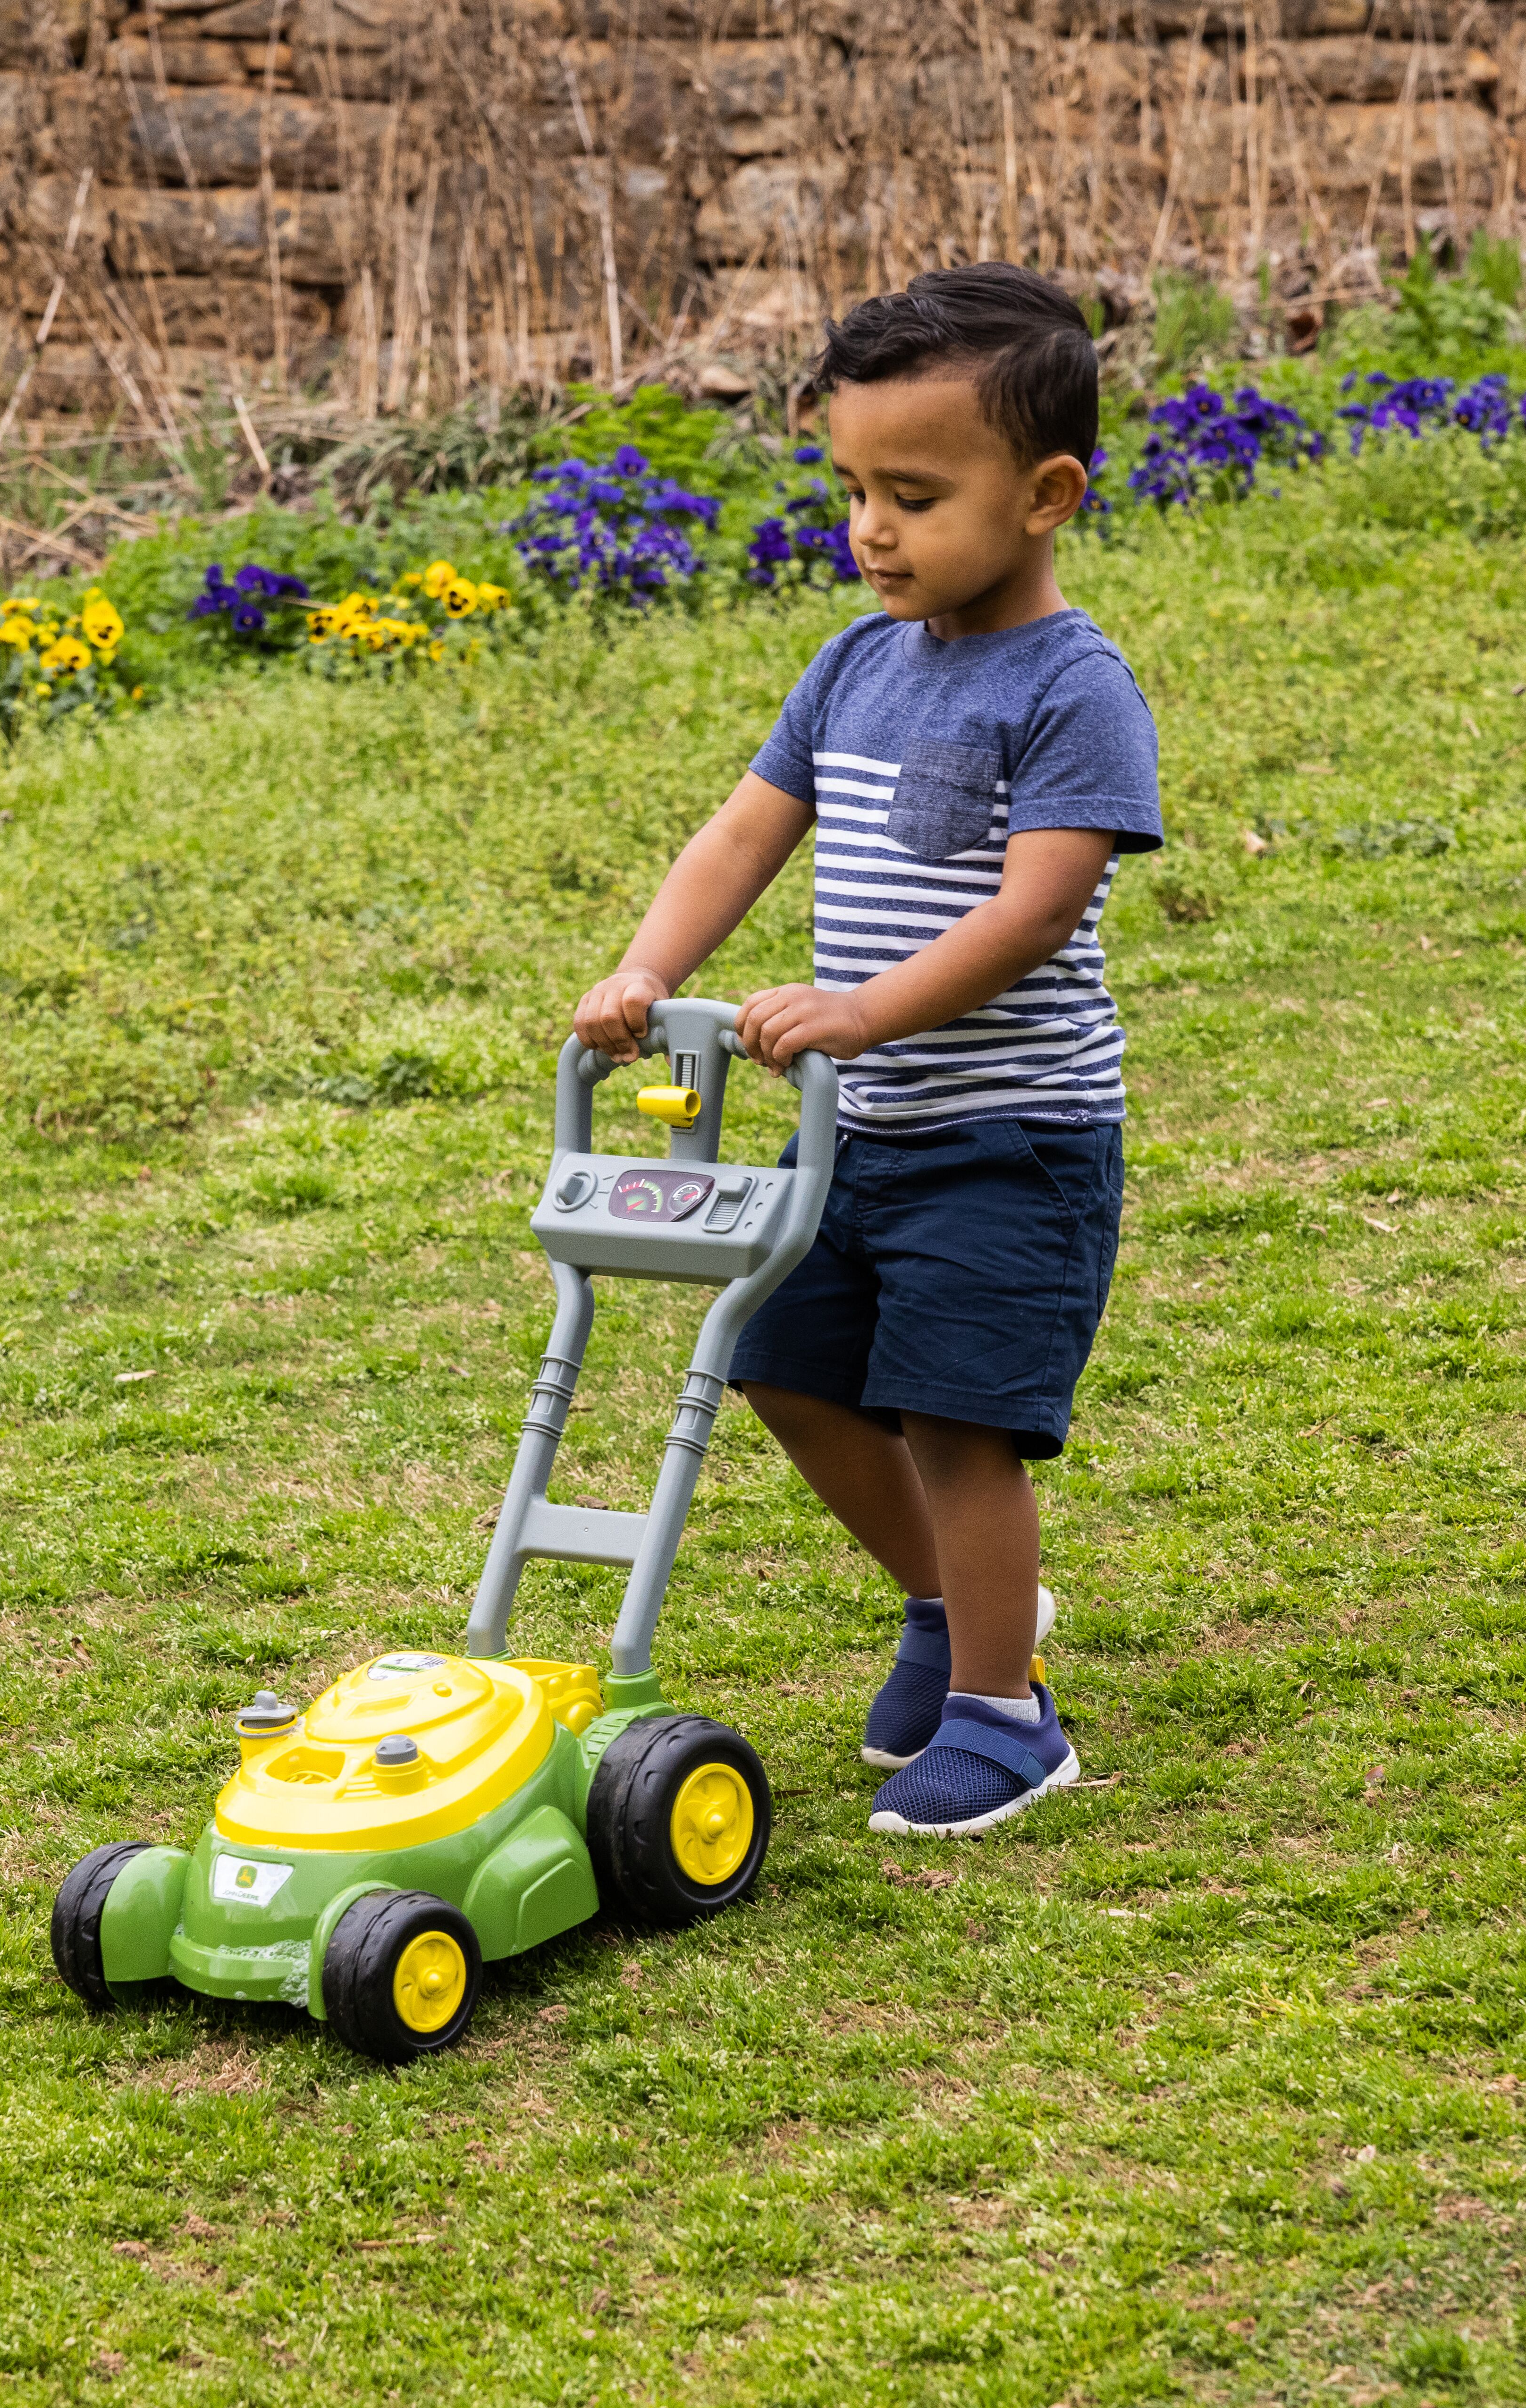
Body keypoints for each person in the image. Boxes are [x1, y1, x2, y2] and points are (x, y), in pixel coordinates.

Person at [572, 263, 1161, 1839]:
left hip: (1012, 1135)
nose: (872, 531)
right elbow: (745, 831)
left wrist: (861, 1009)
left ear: (1046, 496)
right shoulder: (854, 665)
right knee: (781, 1368)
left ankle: (1006, 1716)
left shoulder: (1077, 687)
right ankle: (957, 1610)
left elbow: (1038, 910)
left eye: (914, 494)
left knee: (960, 1417)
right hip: (859, 1136)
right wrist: (648, 963)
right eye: (852, 491)